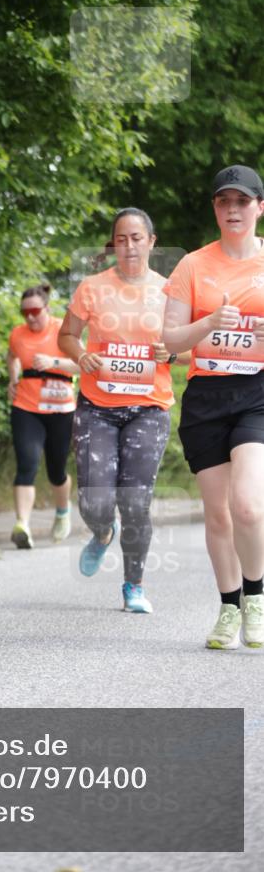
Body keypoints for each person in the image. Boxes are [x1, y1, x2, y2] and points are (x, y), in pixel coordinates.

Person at [58, 208, 184, 613]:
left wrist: (173, 351)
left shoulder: (170, 293)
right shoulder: (93, 288)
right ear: (114, 243)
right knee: (94, 502)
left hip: (148, 408)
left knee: (135, 501)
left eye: (137, 238)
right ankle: (101, 533)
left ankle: (134, 585)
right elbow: (66, 335)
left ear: (151, 241)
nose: (129, 245)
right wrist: (81, 355)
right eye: (122, 238)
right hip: (97, 407)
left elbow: (190, 349)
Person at [163, 165, 264, 650]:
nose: (233, 210)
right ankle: (228, 607)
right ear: (215, 209)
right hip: (206, 397)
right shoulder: (193, 266)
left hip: (258, 395)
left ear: (259, 208)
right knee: (218, 514)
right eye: (225, 202)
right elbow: (169, 338)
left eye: (242, 202)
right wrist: (207, 324)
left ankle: (256, 597)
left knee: (247, 506)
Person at [7, 283, 78, 548]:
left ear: (47, 308)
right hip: (27, 406)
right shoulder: (18, 334)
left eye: (35, 311)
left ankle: (62, 512)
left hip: (60, 410)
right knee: (27, 463)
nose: (30, 317)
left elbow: (84, 363)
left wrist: (54, 363)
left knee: (56, 470)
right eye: (25, 313)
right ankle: (22, 524)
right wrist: (12, 379)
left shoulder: (63, 330)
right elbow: (12, 356)